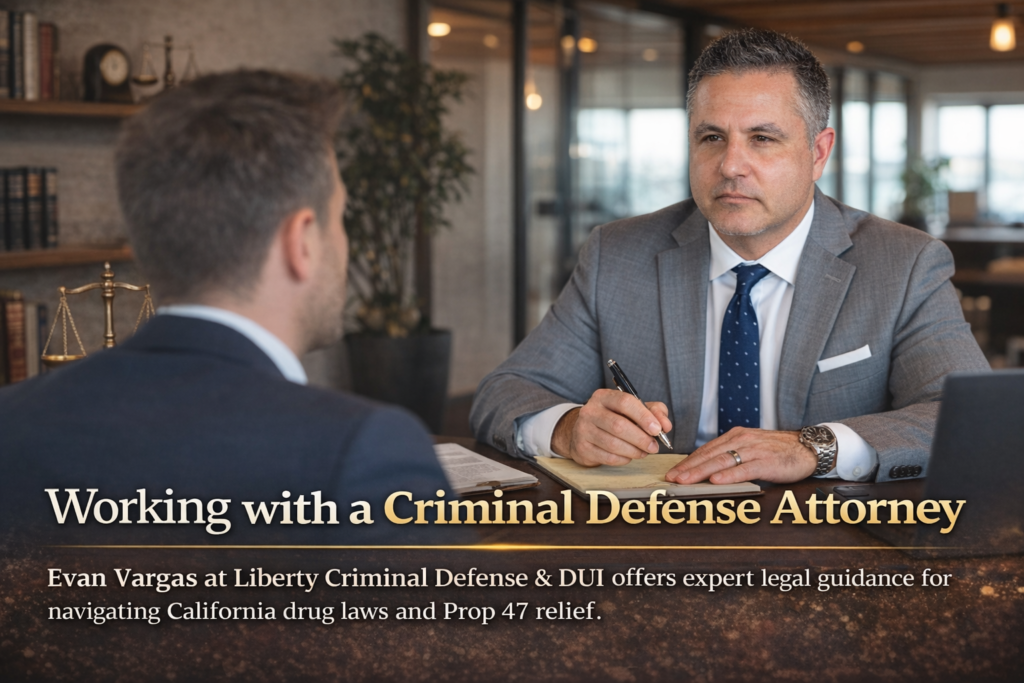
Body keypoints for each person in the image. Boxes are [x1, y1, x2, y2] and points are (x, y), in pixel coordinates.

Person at [471, 29, 989, 485]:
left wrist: (813, 446)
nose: (731, 165)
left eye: (762, 139)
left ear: (819, 152)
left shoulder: (905, 264)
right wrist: (566, 428)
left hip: (829, 545)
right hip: (655, 541)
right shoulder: (618, 254)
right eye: (711, 138)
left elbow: (965, 420)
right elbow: (506, 392)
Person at [0, 70, 464, 545]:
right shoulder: (362, 455)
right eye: (340, 219)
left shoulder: (10, 424)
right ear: (301, 240)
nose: (345, 246)